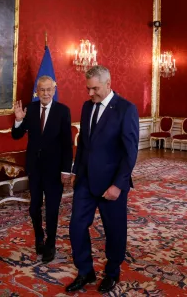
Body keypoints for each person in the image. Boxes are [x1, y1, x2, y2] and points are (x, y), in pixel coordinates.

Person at [65, 65, 139, 293]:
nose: (90, 93)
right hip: (86, 181)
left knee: (114, 230)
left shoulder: (126, 109)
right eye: (88, 89)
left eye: (95, 88)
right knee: (76, 227)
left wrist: (118, 185)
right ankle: (85, 272)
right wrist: (75, 172)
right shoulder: (87, 107)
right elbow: (84, 146)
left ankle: (112, 272)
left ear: (108, 83)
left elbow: (130, 153)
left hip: (112, 184)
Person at [12, 75, 72, 263]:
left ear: (54, 90)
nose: (45, 93)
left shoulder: (63, 111)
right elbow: (16, 136)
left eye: (49, 90)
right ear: (37, 91)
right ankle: (39, 238)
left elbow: (67, 144)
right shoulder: (30, 109)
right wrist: (19, 120)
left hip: (54, 169)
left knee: (52, 209)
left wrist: (66, 170)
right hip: (35, 168)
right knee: (34, 208)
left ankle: (51, 244)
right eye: (42, 90)